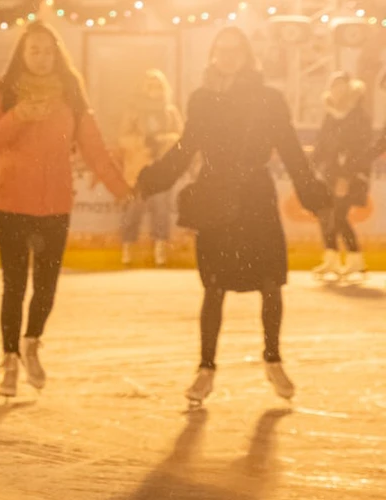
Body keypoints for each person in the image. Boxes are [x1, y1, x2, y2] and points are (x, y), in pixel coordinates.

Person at [135, 27, 329, 405]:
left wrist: (312, 193)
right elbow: (186, 147)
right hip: (215, 197)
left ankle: (273, 359)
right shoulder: (202, 100)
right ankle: (205, 369)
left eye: (235, 50)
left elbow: (290, 149)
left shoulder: (269, 99)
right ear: (212, 55)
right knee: (215, 287)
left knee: (271, 283)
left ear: (247, 56)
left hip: (256, 197)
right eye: (221, 50)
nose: (227, 56)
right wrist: (153, 179)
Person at [0, 20, 131, 397]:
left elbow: (95, 150)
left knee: (46, 286)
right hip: (11, 200)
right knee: (14, 284)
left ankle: (32, 342)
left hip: (54, 203)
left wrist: (123, 189)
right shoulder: (5, 93)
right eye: (34, 50)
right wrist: (18, 116)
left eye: (47, 50)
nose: (41, 57)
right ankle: (9, 360)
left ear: (58, 54)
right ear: (23, 55)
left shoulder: (71, 95)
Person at [117, 69, 184, 267]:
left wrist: (162, 141)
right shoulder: (133, 112)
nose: (154, 89)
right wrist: (143, 142)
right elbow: (123, 138)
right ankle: (127, 247)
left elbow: (180, 137)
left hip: (162, 170)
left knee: (161, 210)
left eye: (158, 85)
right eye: (150, 85)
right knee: (133, 210)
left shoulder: (170, 111)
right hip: (139, 169)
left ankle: (160, 249)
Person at [310, 72, 372, 280]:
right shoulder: (331, 114)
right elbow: (321, 143)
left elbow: (360, 148)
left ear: (349, 88)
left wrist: (346, 176)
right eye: (334, 86)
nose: (337, 90)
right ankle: (332, 259)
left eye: (341, 86)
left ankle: (355, 260)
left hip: (350, 174)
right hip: (329, 173)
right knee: (326, 215)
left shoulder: (358, 115)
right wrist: (309, 168)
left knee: (338, 216)